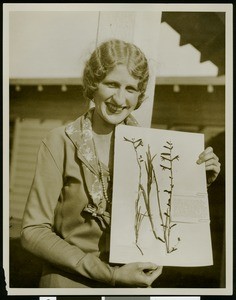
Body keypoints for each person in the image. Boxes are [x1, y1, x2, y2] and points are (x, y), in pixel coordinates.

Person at [21, 39, 221, 288]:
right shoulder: (60, 141)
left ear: (140, 95)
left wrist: (195, 182)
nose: (120, 98)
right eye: (112, 84)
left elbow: (162, 222)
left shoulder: (154, 148)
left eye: (131, 89)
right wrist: (109, 274)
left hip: (131, 285)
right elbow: (33, 231)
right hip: (70, 284)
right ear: (93, 84)